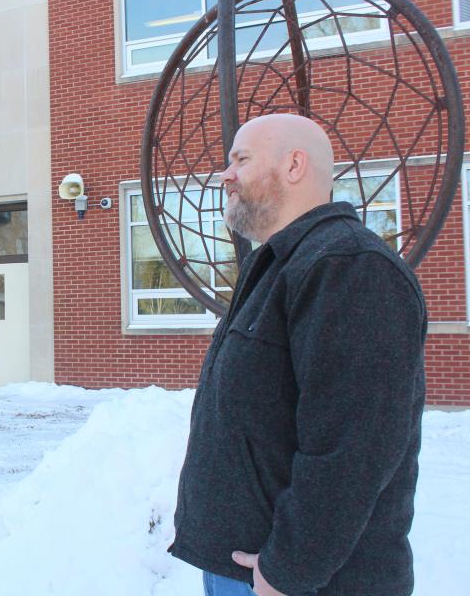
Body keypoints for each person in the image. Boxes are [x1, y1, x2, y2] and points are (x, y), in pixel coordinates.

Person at [169, 114, 427, 596]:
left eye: (241, 159)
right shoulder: (283, 265)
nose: (225, 175)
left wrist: (288, 569)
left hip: (301, 582)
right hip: (252, 568)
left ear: (293, 165)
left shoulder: (347, 266)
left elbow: (353, 447)